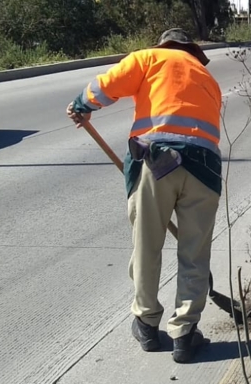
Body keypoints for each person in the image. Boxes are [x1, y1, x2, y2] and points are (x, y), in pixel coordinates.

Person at [65, 28, 222, 364]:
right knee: (194, 252)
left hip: (157, 161)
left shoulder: (148, 58)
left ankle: (147, 324)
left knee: (147, 245)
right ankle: (185, 333)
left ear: (164, 45)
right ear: (192, 51)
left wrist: (82, 105)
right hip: (204, 168)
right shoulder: (207, 76)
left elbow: (105, 86)